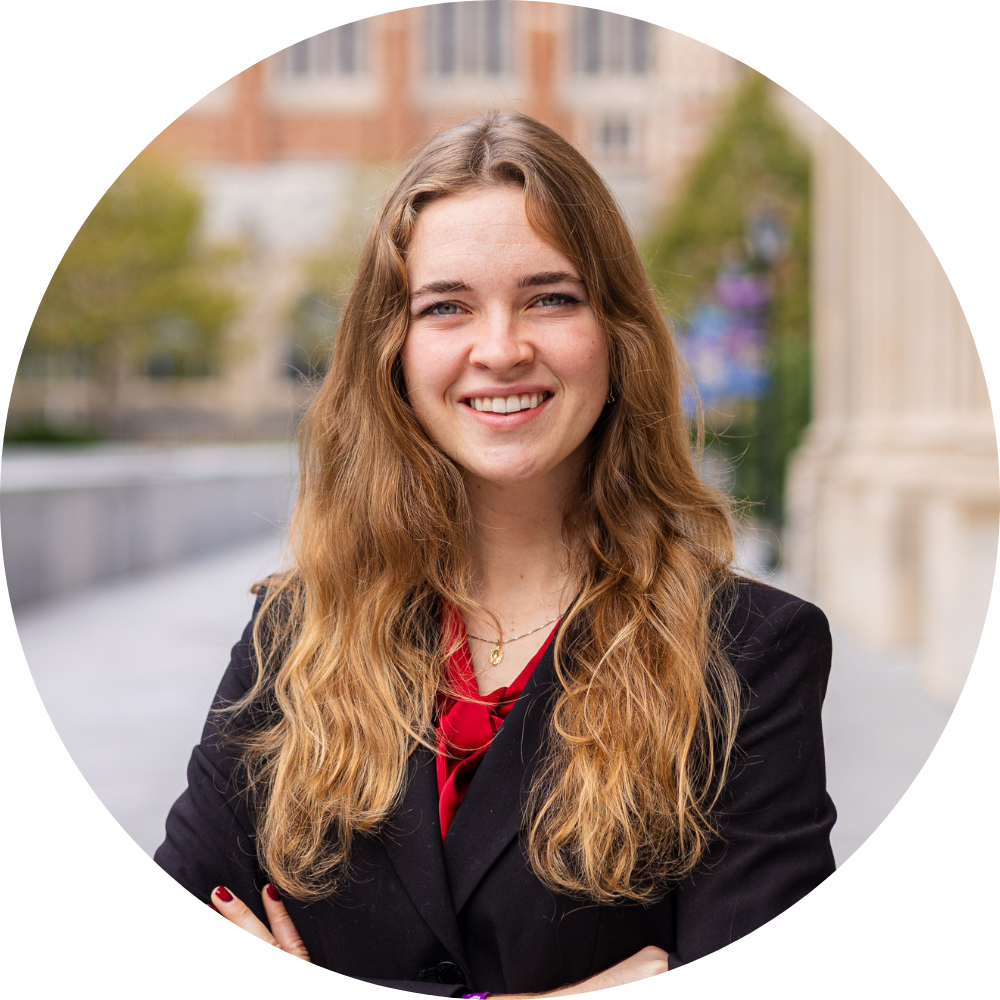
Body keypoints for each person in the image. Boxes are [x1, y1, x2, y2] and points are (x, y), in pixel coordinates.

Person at [155, 111, 836, 995]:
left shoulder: (750, 654)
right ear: (392, 351)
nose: (502, 348)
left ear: (617, 334)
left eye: (551, 297)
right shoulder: (293, 636)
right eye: (447, 307)